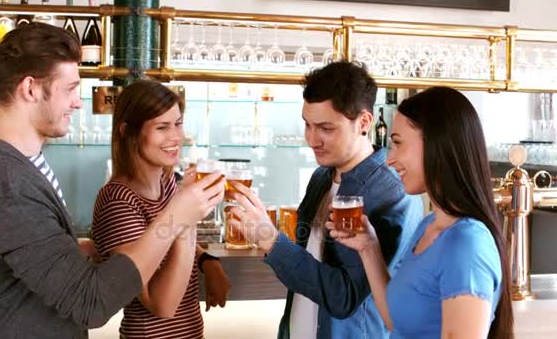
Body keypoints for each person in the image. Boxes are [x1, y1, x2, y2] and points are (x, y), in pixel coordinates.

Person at [0, 22, 224, 338]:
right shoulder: (6, 181)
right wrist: (178, 216)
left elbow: (19, 250)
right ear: (30, 89)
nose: (79, 102)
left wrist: (71, 249)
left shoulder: (2, 161)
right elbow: (91, 303)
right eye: (70, 89)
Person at [226, 61, 423, 339]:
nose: (311, 139)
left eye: (325, 128)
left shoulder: (391, 192)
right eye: (307, 125)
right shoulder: (321, 176)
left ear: (364, 123)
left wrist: (270, 239)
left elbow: (344, 297)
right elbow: (309, 261)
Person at [326, 87, 514, 338]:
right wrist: (369, 248)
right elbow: (398, 323)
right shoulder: (429, 226)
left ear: (437, 143)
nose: (390, 159)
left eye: (398, 143)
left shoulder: (467, 243)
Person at [91, 79, 231, 339]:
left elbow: (165, 241)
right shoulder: (118, 201)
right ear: (127, 131)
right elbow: (161, 304)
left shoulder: (166, 181)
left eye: (178, 123)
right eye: (162, 127)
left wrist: (207, 262)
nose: (176, 136)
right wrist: (186, 218)